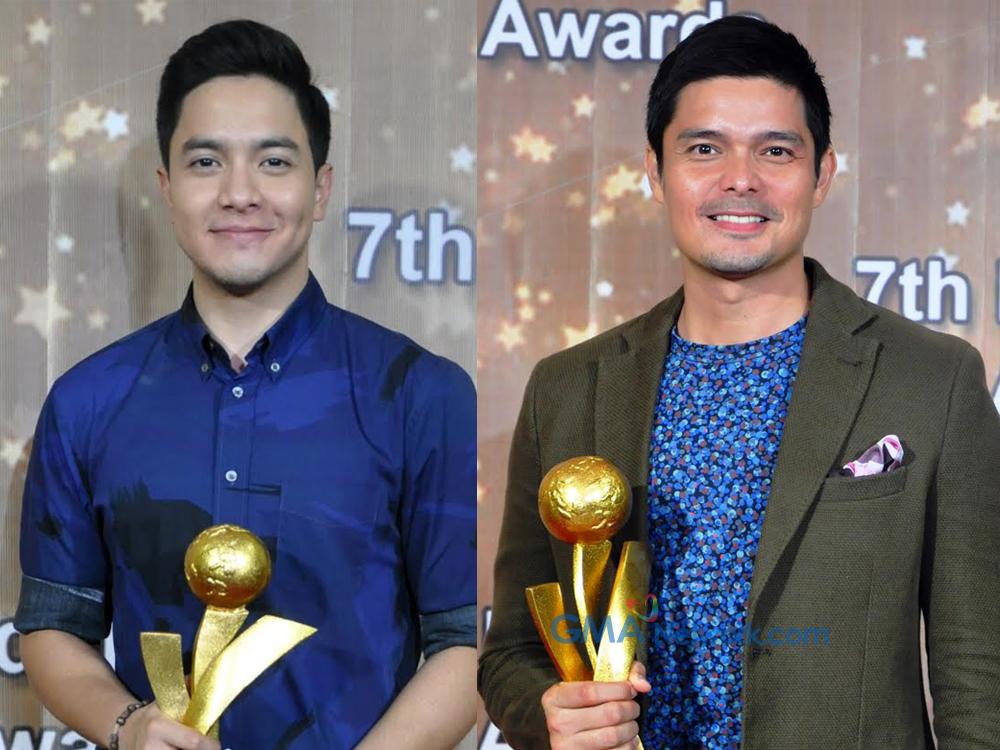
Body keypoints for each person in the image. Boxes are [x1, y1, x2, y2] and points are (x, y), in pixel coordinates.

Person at [479, 15, 1000, 750]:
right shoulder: (567, 388)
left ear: (822, 174)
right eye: (704, 148)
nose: (740, 179)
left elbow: (980, 671)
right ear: (655, 172)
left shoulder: (931, 380)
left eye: (776, 150)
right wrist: (551, 712)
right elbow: (510, 652)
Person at [15, 19, 477, 750]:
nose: (239, 193)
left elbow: (463, 643)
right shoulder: (87, 402)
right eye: (206, 162)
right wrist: (129, 727)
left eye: (273, 162)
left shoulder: (422, 394)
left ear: (320, 188)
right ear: (167, 189)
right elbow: (52, 627)